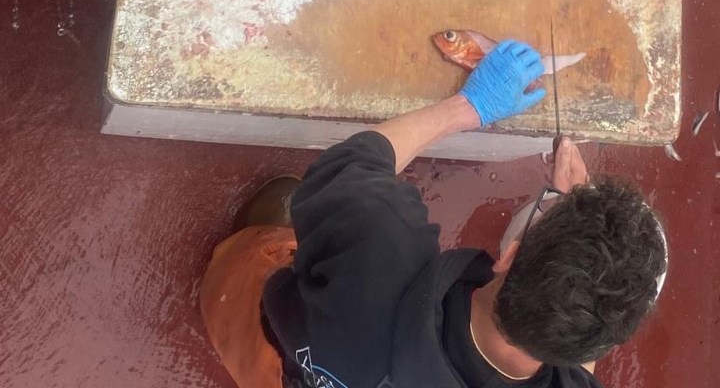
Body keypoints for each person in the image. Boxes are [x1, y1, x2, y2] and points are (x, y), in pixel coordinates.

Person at [200, 40, 668, 388]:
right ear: (596, 345)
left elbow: (352, 166)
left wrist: (469, 106)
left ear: (508, 257)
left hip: (276, 349)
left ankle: (235, 276)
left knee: (260, 260)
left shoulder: (381, 245)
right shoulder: (575, 374)